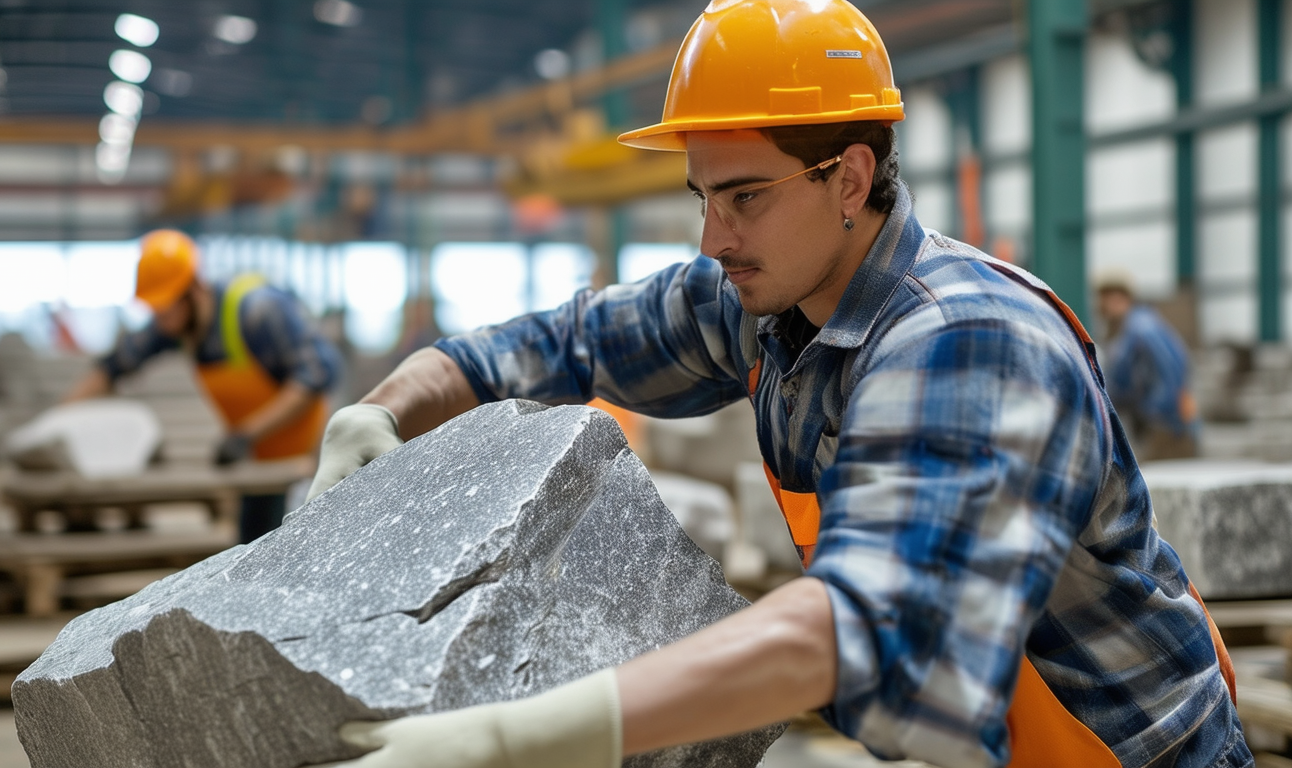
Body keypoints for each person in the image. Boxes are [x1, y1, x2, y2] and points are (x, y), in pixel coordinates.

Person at [306, 2, 1249, 766]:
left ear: (849, 178)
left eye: (745, 196)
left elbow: (859, 623)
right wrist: (386, 406)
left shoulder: (970, 341)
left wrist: (521, 735)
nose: (713, 238)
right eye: (703, 198)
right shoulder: (764, 302)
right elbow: (567, 341)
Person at [66, 229, 342, 543]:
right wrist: (60, 417)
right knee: (253, 546)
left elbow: (316, 376)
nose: (161, 321)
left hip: (305, 458)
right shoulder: (176, 324)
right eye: (156, 311)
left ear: (194, 289)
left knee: (297, 546)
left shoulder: (257, 311)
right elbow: (115, 366)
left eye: (167, 309)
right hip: (258, 460)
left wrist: (246, 433)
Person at [1096, 271, 1199, 461]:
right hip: (1156, 426)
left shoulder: (1142, 329)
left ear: (1120, 298)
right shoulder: (1125, 332)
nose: (1100, 306)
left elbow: (1173, 373)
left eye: (1104, 298)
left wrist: (1154, 413)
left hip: (1165, 430)